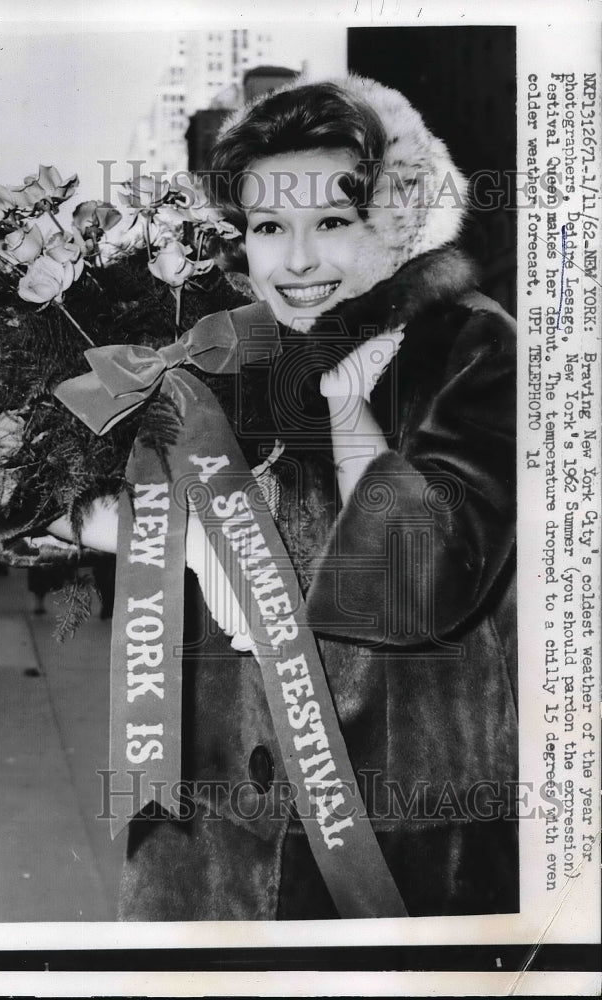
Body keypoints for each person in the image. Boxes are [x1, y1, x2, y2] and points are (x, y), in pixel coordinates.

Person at [51, 76, 519, 920]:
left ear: (399, 219)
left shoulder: (469, 343)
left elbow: (423, 580)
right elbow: (52, 499)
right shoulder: (224, 345)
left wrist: (346, 410)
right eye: (270, 228)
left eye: (332, 224)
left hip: (391, 825)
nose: (296, 262)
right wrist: (125, 520)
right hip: (210, 829)